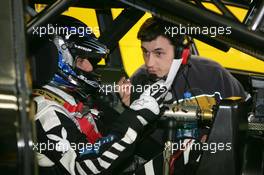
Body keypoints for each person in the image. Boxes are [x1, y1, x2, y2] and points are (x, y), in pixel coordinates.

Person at [32, 15, 171, 175]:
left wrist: (137, 112)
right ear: (55, 61)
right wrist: (136, 115)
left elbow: (109, 139)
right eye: (81, 60)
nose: (90, 67)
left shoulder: (74, 99)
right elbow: (86, 167)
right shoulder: (46, 114)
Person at [118, 17, 247, 173]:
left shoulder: (214, 73)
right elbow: (136, 142)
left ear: (182, 52)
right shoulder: (140, 79)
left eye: (159, 53)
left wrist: (215, 137)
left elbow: (243, 118)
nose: (149, 63)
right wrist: (130, 110)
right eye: (145, 52)